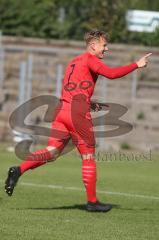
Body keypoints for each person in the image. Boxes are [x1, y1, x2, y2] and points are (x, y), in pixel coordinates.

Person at [5, 29, 152, 212]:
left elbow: (72, 89)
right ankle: (92, 202)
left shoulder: (74, 61)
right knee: (88, 155)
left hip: (61, 111)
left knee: (52, 152)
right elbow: (112, 74)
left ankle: (18, 170)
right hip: (77, 114)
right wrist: (136, 65)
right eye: (104, 45)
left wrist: (88, 103)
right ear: (93, 45)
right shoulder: (91, 59)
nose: (106, 49)